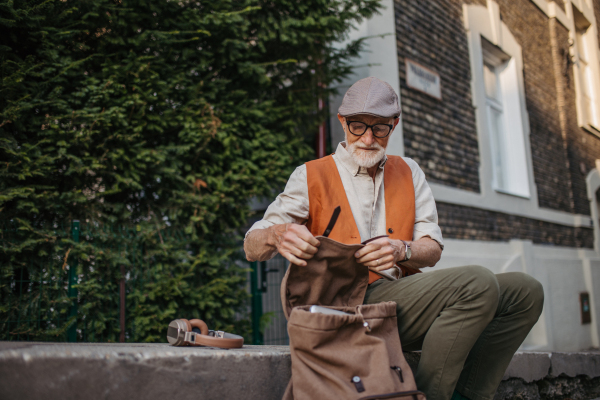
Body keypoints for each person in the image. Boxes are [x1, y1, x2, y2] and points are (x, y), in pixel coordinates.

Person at [243, 77, 544, 400]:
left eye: (380, 128)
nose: (368, 138)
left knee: (526, 291)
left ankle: (468, 396)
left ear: (394, 125)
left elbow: (432, 249)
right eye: (358, 126)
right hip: (344, 307)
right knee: (477, 282)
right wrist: (277, 234)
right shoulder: (311, 174)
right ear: (342, 122)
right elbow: (251, 246)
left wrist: (403, 249)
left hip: (401, 300)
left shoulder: (409, 171)